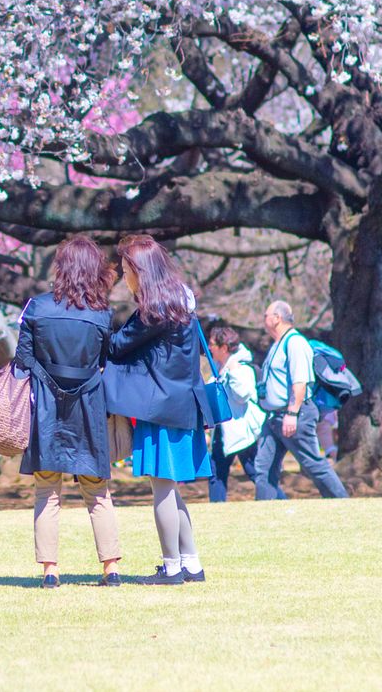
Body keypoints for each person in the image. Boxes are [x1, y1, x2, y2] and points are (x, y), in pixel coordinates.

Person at [13, 235, 122, 588]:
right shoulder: (103, 313)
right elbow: (107, 360)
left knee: (47, 491)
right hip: (89, 406)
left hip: (46, 406)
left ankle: (50, 571)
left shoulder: (36, 308)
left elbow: (23, 359)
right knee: (98, 490)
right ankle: (111, 567)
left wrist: (46, 375)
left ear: (60, 268)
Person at [104, 235, 209, 586]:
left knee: (162, 487)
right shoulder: (181, 300)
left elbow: (117, 346)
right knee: (171, 487)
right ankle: (191, 563)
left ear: (140, 270)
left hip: (160, 408)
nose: (123, 277)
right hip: (183, 404)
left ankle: (172, 567)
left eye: (125, 270)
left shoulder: (155, 306)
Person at [252, 301, 348, 500]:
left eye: (265, 315)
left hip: (295, 413)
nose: (263, 320)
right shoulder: (277, 345)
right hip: (274, 417)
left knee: (312, 463)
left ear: (277, 318)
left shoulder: (295, 343)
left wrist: (292, 413)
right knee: (264, 467)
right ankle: (263, 513)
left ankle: (341, 502)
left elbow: (300, 382)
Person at [207, 326, 265, 503]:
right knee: (216, 473)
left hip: (242, 433)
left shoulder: (241, 368)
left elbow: (243, 395)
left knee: (254, 472)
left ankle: (277, 501)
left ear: (224, 347)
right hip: (223, 432)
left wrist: (232, 371)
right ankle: (216, 513)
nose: (209, 348)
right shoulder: (218, 368)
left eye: (212, 344)